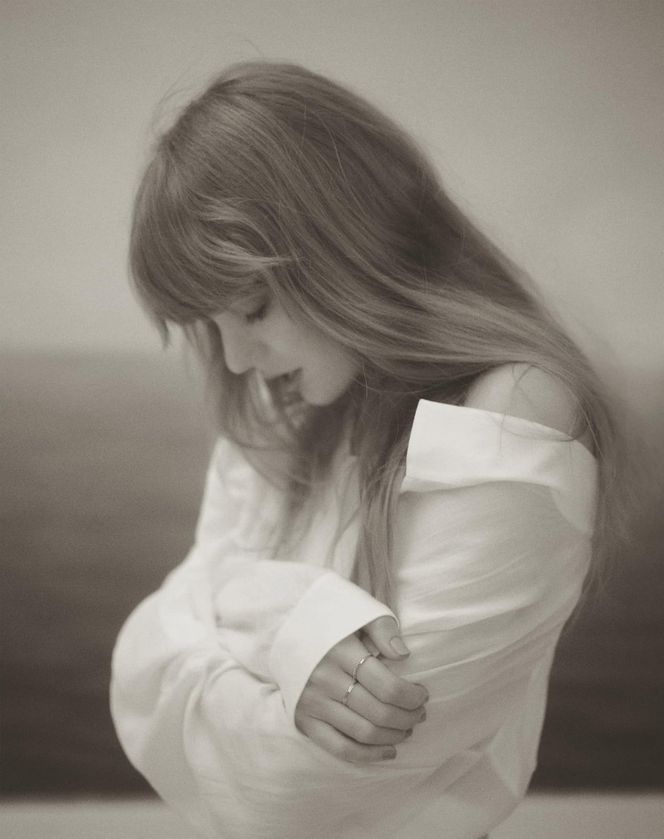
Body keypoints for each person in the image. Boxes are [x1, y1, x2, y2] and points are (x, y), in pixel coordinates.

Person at [110, 61, 629, 839]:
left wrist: (220, 619)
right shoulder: (289, 408)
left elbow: (295, 795)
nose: (240, 361)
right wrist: (288, 621)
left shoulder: (516, 413)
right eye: (212, 328)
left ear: (345, 248)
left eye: (252, 308)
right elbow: (132, 673)